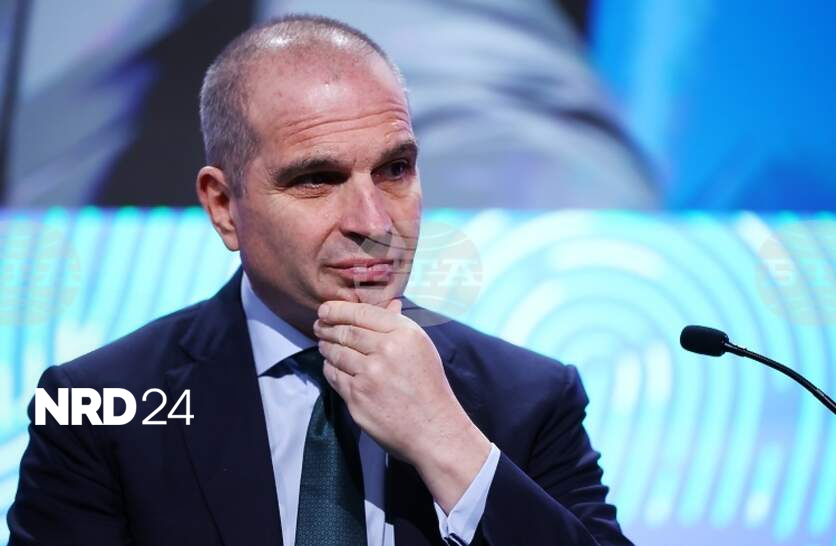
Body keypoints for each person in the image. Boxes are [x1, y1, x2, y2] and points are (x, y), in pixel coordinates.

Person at [7, 15, 632, 546]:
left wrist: (446, 442)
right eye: (317, 179)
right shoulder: (100, 404)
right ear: (223, 206)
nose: (373, 222)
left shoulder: (528, 398)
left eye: (395, 169)